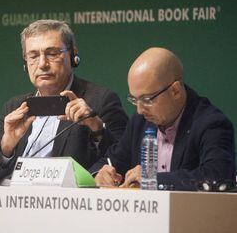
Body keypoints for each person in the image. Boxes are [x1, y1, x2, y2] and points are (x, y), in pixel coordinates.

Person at [0, 20, 128, 185]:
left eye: (52, 53)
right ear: (25, 63)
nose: (42, 64)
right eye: (33, 56)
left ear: (73, 55)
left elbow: (123, 158)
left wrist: (98, 129)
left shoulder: (100, 100)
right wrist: (6, 147)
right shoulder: (14, 107)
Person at [91, 47, 235, 190]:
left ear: (175, 91)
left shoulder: (211, 123)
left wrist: (153, 179)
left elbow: (217, 176)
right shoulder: (140, 122)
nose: (140, 110)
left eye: (147, 99)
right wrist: (101, 174)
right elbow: (113, 160)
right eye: (134, 100)